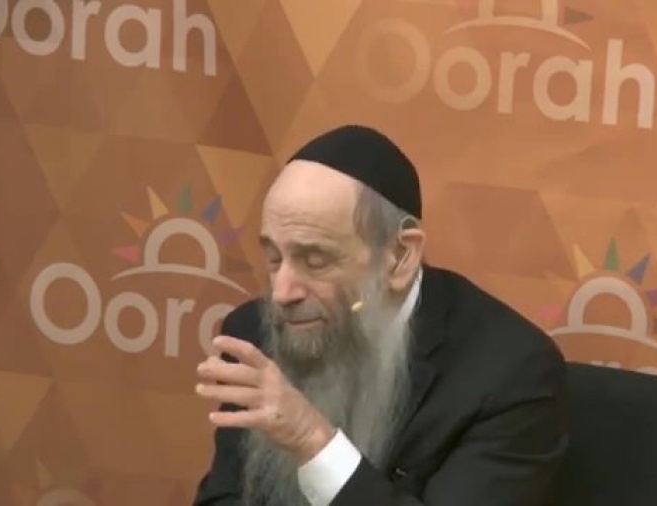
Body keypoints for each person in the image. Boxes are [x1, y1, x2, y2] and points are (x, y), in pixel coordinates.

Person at [192, 124, 568, 505]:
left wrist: (311, 440)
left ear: (400, 257)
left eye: (315, 260)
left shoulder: (510, 375)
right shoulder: (254, 334)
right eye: (274, 258)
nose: (282, 294)